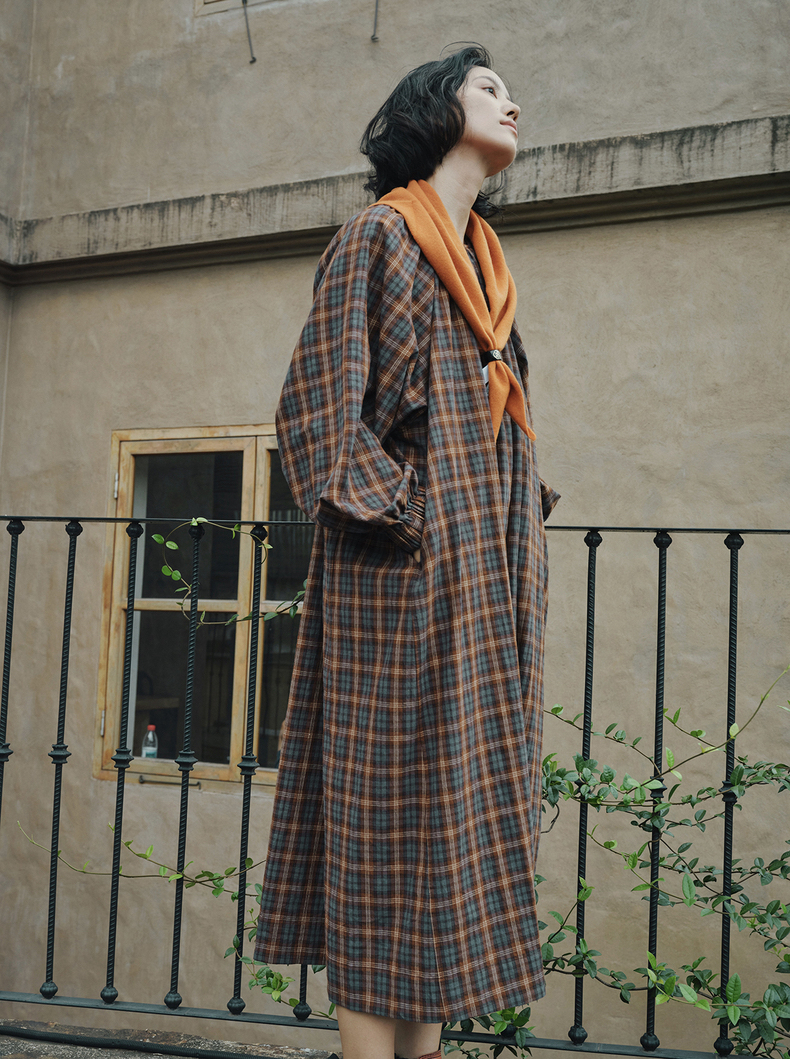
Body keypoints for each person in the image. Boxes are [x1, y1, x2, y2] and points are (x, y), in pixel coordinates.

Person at [255, 44, 559, 1059]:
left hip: (486, 579)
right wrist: (417, 518)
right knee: (385, 826)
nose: (512, 102)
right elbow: (316, 419)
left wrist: (509, 518)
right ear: (435, 110)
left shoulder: (486, 266)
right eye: (488, 89)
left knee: (452, 828)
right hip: (400, 580)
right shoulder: (378, 238)